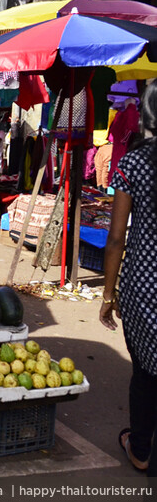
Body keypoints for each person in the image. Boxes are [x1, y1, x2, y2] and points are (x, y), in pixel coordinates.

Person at [100, 81, 157, 477]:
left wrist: (107, 292)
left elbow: (117, 237)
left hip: (144, 286)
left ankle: (140, 450)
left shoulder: (134, 163)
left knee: (145, 373)